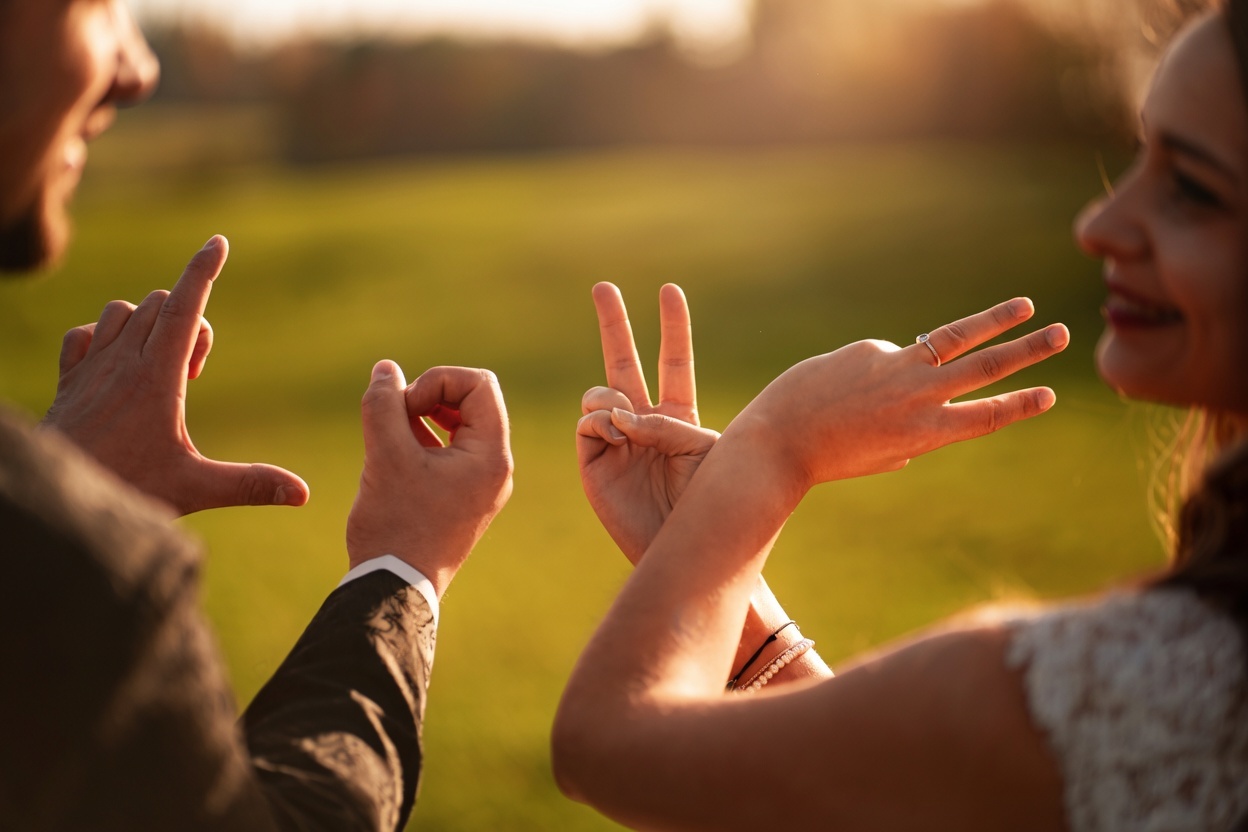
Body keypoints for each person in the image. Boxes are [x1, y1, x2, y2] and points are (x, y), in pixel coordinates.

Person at [554, 1, 1248, 829]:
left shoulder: (1142, 681)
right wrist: (720, 571)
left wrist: (774, 447)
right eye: (1142, 158)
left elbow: (604, 742)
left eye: (1193, 189)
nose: (1100, 223)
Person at [0, 1, 513, 829]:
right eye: (93, 5)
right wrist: (405, 568)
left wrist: (58, 487)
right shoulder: (66, 575)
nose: (138, 66)